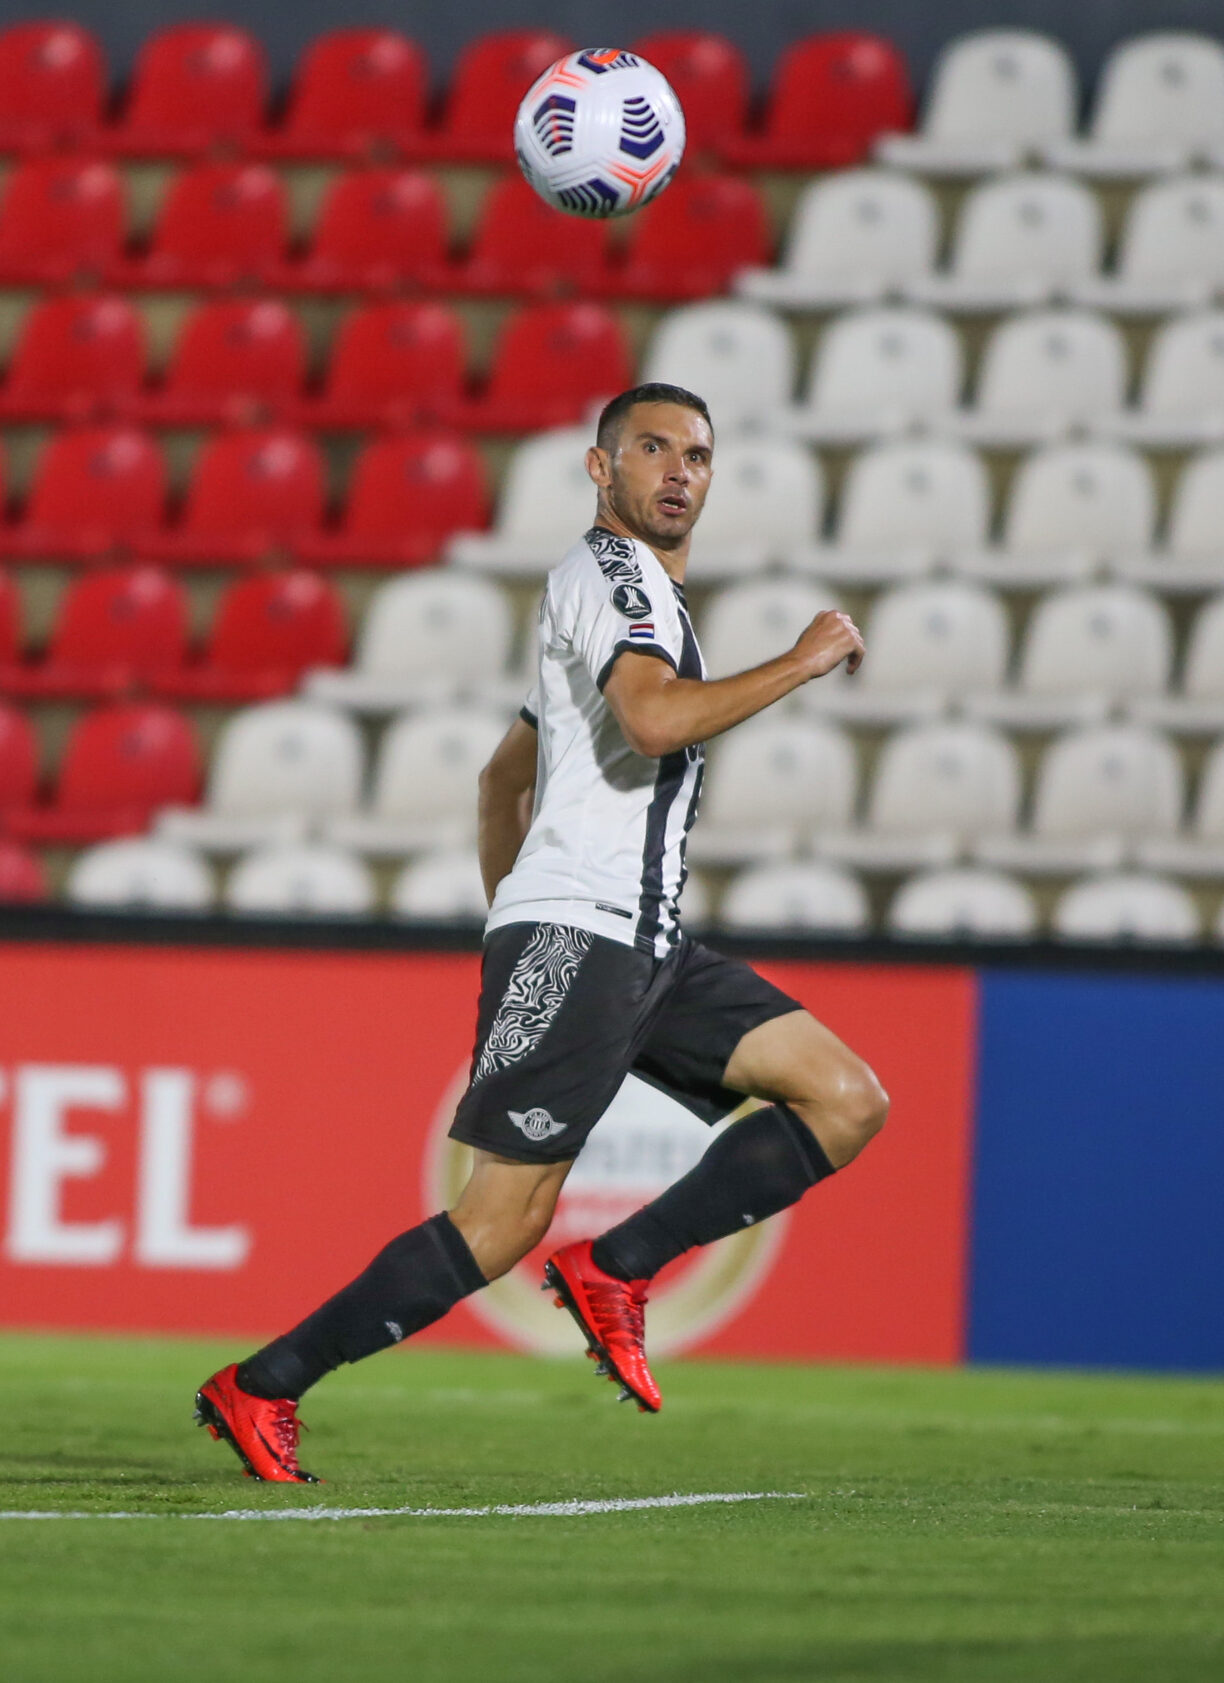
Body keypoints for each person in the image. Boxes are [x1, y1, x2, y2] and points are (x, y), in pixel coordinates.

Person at [194, 382, 891, 1483]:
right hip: (585, 933)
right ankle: (264, 1384)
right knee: (502, 1220)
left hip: (643, 941)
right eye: (651, 448)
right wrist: (800, 661)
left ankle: (620, 1265)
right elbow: (652, 720)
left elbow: (501, 780)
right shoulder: (617, 576)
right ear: (599, 468)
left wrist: (512, 917)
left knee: (845, 1098)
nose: (677, 470)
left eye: (697, 455)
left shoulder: (623, 602)